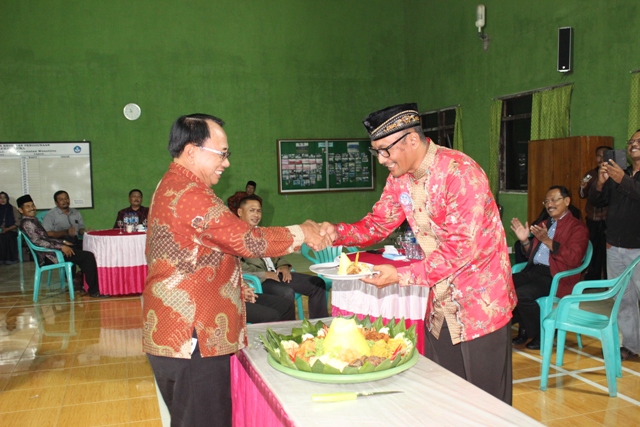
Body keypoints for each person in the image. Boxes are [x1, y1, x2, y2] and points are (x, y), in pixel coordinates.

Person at [142, 113, 332, 427]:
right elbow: (247, 240)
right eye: (222, 154)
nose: (227, 163)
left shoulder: (176, 183)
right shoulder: (190, 194)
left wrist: (232, 284)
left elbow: (192, 253)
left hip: (184, 329)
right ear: (192, 151)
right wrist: (304, 232)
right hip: (192, 336)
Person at [325, 103, 516, 404]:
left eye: (385, 150)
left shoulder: (460, 173)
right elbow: (378, 223)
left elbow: (459, 249)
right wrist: (334, 233)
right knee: (447, 400)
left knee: (488, 407)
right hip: (440, 306)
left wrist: (400, 276)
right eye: (377, 152)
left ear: (412, 140)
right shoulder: (400, 178)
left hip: (480, 306)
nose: (381, 159)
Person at [510, 186, 589, 349]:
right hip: (533, 270)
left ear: (567, 201)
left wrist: (547, 240)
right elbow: (530, 254)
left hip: (555, 275)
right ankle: (524, 325)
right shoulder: (544, 223)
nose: (549, 204)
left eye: (554, 200)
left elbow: (574, 259)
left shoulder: (577, 228)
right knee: (503, 286)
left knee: (522, 294)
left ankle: (543, 332)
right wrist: (524, 241)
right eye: (546, 201)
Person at [589, 131, 640, 362]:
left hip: (638, 250)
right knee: (623, 300)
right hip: (615, 248)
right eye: (631, 142)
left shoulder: (622, 177)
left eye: (639, 142)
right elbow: (597, 201)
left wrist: (622, 180)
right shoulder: (622, 173)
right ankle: (631, 346)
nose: (633, 145)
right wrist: (600, 183)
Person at [237, 195, 329, 319]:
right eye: (251, 210)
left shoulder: (261, 232)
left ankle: (319, 324)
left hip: (277, 274)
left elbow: (277, 252)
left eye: (259, 211)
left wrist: (283, 266)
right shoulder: (235, 237)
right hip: (260, 279)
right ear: (240, 212)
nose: (256, 214)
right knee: (286, 293)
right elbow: (238, 267)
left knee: (317, 284)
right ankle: (288, 329)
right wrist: (264, 274)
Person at [16, 194, 108, 298]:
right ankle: (94, 291)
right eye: (28, 206)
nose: (32, 208)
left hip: (51, 251)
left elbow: (45, 238)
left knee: (81, 251)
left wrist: (63, 242)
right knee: (88, 256)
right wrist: (61, 247)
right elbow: (39, 242)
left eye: (32, 205)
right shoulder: (27, 223)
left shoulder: (32, 220)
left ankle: (84, 285)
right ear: (20, 210)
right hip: (49, 256)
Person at [579, 146, 612, 280]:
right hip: (593, 220)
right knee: (593, 249)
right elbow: (582, 194)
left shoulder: (616, 174)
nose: (601, 159)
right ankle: (593, 277)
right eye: (598, 155)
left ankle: (608, 280)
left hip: (609, 221)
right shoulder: (591, 174)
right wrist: (582, 186)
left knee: (608, 251)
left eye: (604, 155)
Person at [0, 192, 21, 265]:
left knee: (5, 237)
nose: (2, 199)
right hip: (1, 231)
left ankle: (10, 259)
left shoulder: (12, 209)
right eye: (0, 198)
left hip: (11, 230)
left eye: (4, 197)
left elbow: (18, 222)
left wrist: (7, 229)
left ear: (7, 199)